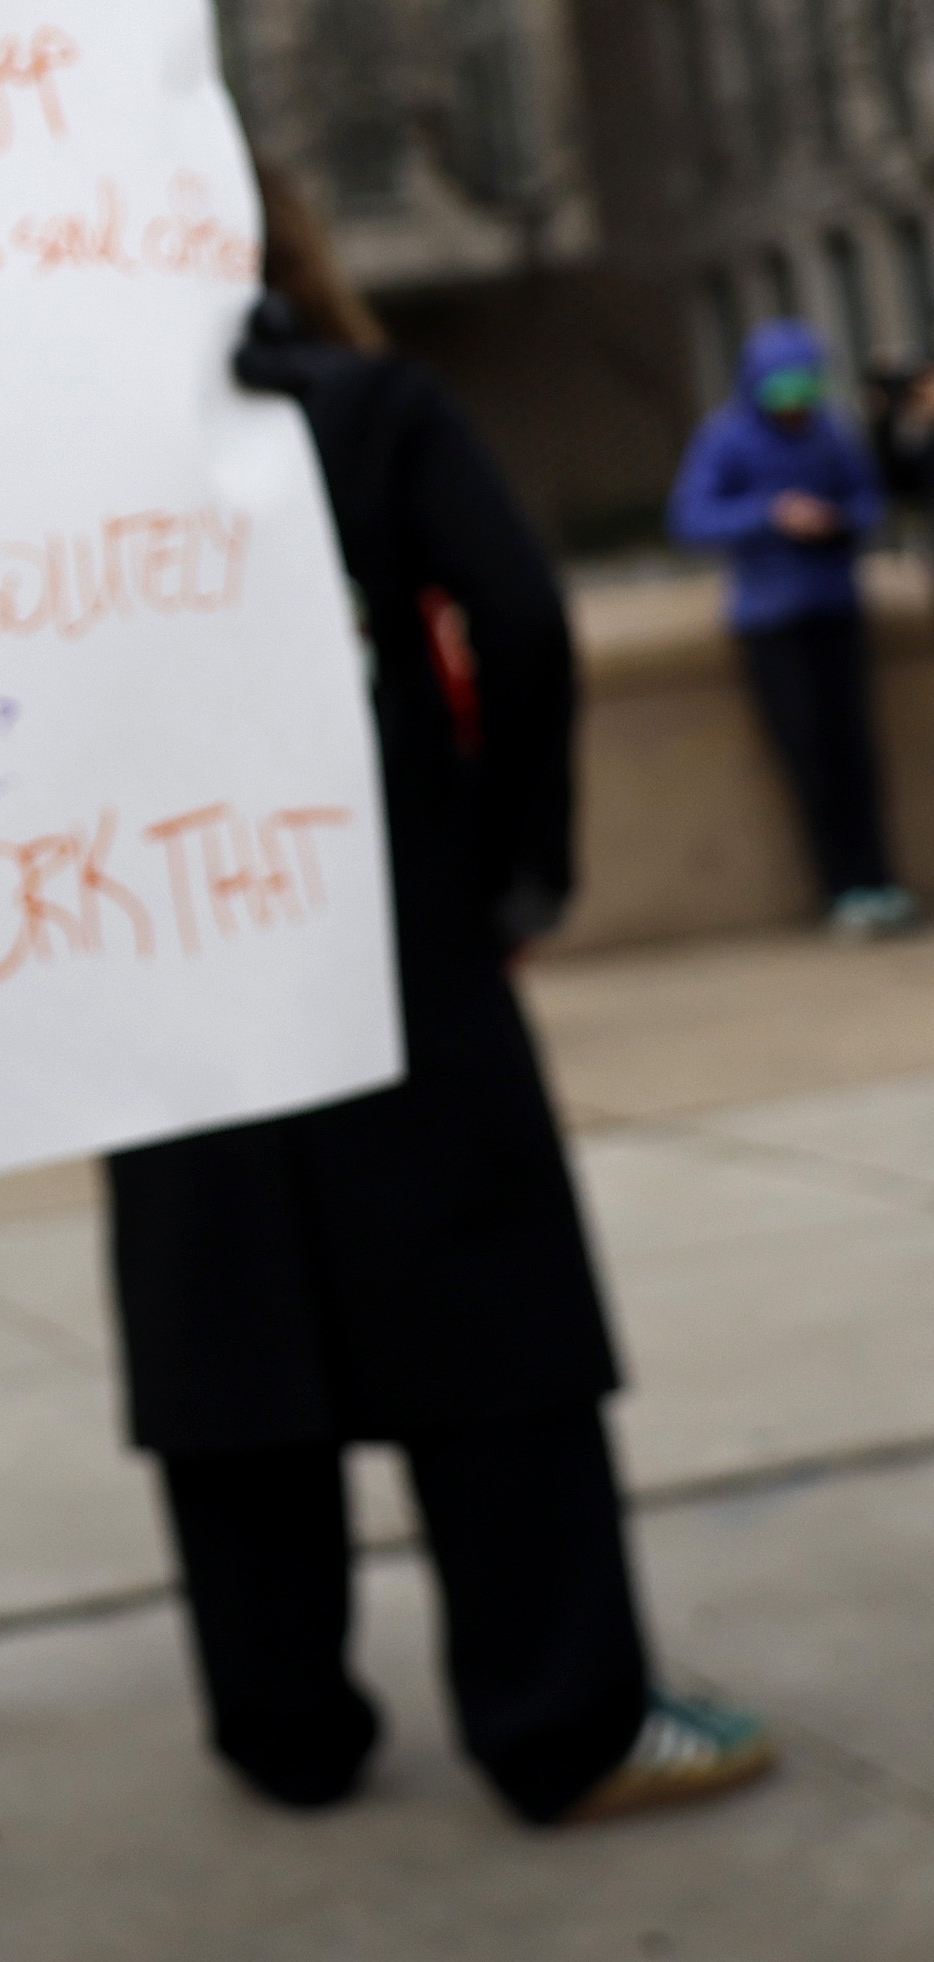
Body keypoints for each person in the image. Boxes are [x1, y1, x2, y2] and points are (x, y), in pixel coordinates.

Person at [110, 161, 775, 1829]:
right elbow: (520, 623)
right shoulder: (364, 407)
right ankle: (558, 1713)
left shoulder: (44, 461)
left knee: (220, 1324)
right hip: (383, 929)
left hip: (142, 951)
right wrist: (504, 865)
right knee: (481, 1314)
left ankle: (281, 1722)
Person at [667, 316, 915, 938]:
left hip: (835, 607)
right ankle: (842, 890)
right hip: (771, 621)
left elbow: (871, 501)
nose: (794, 404)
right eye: (782, 391)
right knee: (809, 758)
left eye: (804, 389)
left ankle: (880, 881)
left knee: (853, 755)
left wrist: (838, 520)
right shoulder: (725, 438)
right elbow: (691, 519)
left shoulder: (830, 435)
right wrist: (771, 514)